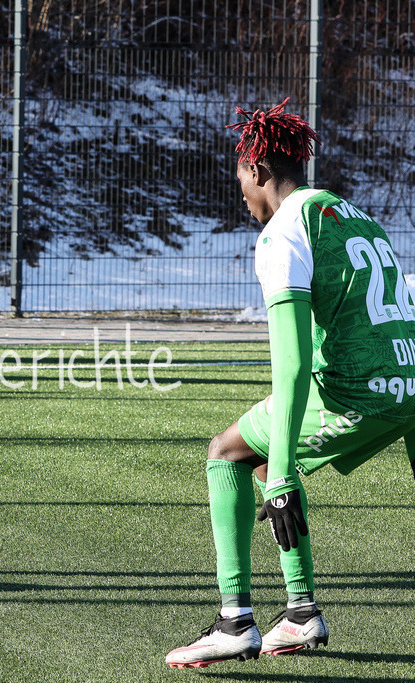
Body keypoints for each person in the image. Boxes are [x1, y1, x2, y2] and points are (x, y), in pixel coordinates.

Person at [165, 98, 415, 668]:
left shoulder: (284, 231)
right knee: (262, 454)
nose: (242, 196)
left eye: (241, 181)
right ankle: (300, 615)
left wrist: (281, 471)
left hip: (358, 388)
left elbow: (294, 364)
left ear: (257, 171)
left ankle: (235, 622)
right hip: (409, 377)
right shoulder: (351, 213)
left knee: (228, 452)